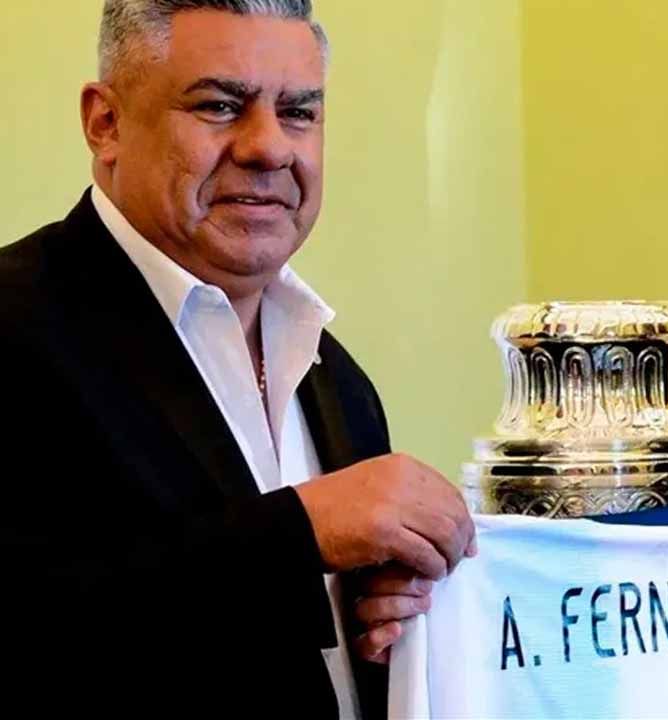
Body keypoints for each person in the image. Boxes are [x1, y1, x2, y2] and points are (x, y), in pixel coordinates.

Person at [0, 1, 474, 717]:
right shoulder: (7, 327)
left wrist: (394, 616)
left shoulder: (340, 381)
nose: (269, 148)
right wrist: (302, 534)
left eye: (299, 112)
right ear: (106, 123)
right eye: (220, 106)